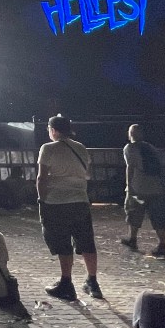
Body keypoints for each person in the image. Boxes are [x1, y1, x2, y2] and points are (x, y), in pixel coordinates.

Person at [37, 114, 102, 300]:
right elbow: (87, 174)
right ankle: (92, 282)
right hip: (80, 200)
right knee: (86, 241)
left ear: (53, 130)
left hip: (56, 202)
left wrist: (42, 199)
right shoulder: (81, 147)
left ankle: (66, 283)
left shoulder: (47, 148)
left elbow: (41, 177)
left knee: (62, 242)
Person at [120, 124, 165, 260]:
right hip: (156, 187)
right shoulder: (151, 148)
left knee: (133, 213)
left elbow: (130, 167)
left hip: (139, 186)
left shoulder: (130, 148)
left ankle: (133, 239)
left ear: (130, 134)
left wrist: (129, 186)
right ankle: (162, 245)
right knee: (159, 217)